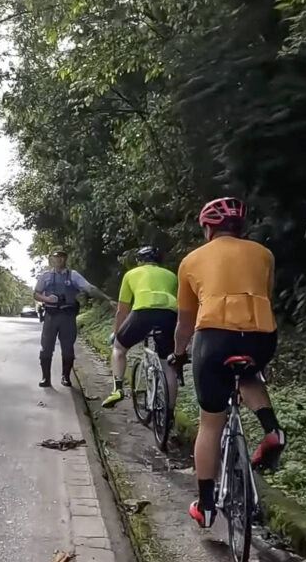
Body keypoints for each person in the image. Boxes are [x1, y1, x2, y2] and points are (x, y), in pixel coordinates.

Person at [170, 197, 285, 528]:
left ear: (207, 228)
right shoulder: (264, 254)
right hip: (262, 335)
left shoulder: (191, 260)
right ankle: (272, 429)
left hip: (215, 337)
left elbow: (186, 322)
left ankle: (205, 507)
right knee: (249, 376)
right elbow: (265, 294)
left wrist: (179, 354)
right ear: (240, 227)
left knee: (210, 423)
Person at [102, 246, 178, 411]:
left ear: (139, 261)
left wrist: (117, 333)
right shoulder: (171, 275)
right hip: (169, 314)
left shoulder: (131, 274)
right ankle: (169, 413)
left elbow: (123, 310)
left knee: (119, 348)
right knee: (168, 365)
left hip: (143, 312)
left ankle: (117, 389)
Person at [33, 247, 114, 388]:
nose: (59, 259)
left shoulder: (73, 275)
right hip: (51, 316)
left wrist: (107, 299)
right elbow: (36, 294)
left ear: (65, 258)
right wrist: (47, 299)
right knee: (46, 348)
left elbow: (90, 288)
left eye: (62, 257)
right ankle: (45, 378)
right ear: (51, 259)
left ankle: (66, 376)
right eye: (56, 257)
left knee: (68, 348)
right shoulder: (45, 276)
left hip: (68, 316)